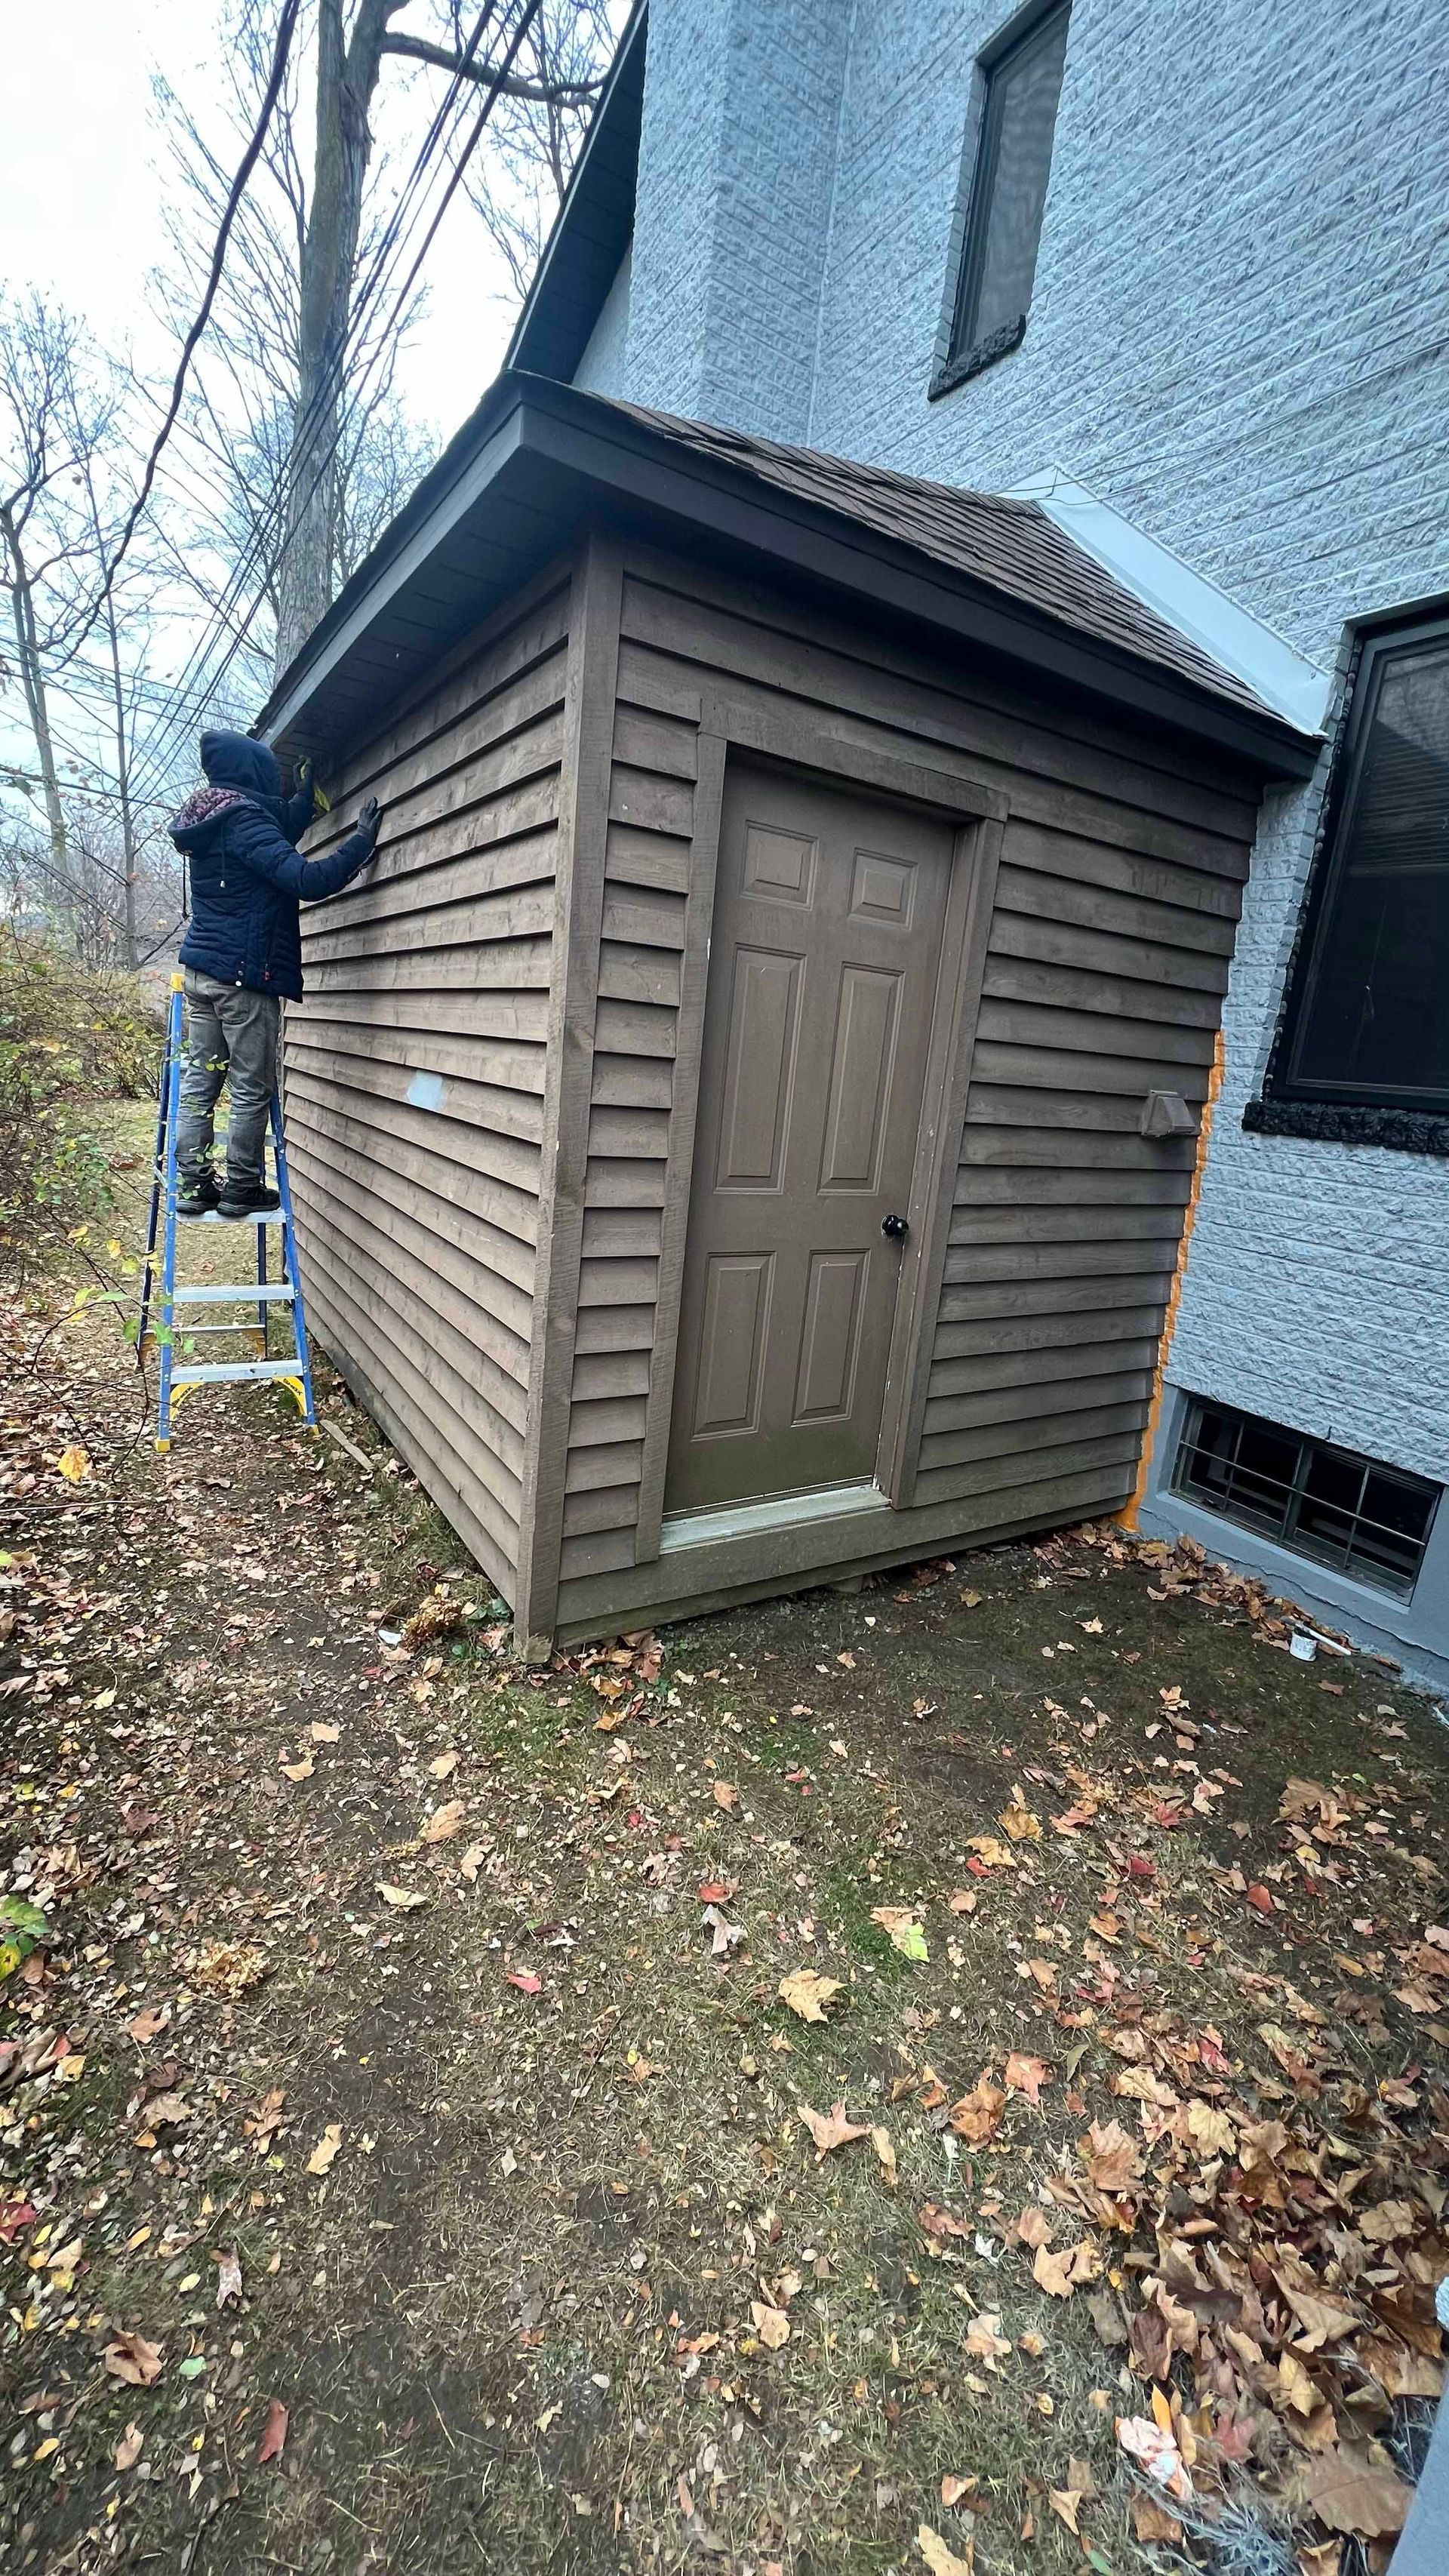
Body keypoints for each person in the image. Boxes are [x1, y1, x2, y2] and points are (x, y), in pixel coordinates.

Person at [168, 728, 381, 1218]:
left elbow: (273, 828)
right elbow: (307, 879)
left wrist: (306, 797)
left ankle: (194, 1185)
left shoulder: (213, 816)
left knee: (200, 1085)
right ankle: (241, 1186)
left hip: (201, 973)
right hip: (244, 979)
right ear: (253, 773)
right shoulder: (245, 821)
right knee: (249, 1087)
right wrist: (360, 844)